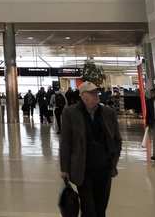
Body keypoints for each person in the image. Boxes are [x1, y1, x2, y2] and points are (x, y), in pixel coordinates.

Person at [60, 82, 122, 217]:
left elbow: (117, 139)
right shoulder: (70, 113)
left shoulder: (108, 113)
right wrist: (64, 168)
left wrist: (113, 160)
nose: (96, 96)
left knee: (101, 208)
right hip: (83, 169)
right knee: (88, 209)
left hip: (104, 169)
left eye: (96, 93)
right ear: (83, 96)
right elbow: (65, 142)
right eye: (92, 93)